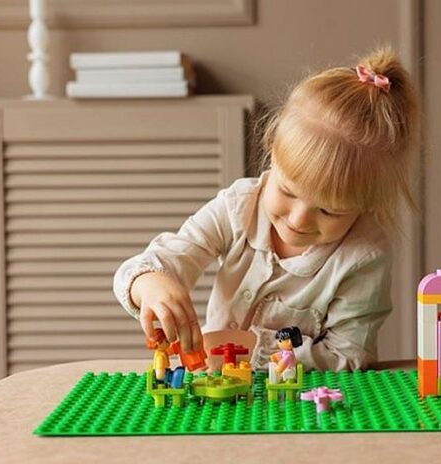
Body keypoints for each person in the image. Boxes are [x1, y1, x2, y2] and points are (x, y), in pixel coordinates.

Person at [113, 45, 421, 371]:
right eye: (287, 191)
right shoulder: (239, 206)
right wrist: (151, 283)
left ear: (367, 204)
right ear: (272, 153)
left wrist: (253, 350)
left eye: (329, 211)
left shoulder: (363, 256)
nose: (299, 219)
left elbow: (349, 356)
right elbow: (155, 262)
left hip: (302, 398)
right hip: (218, 387)